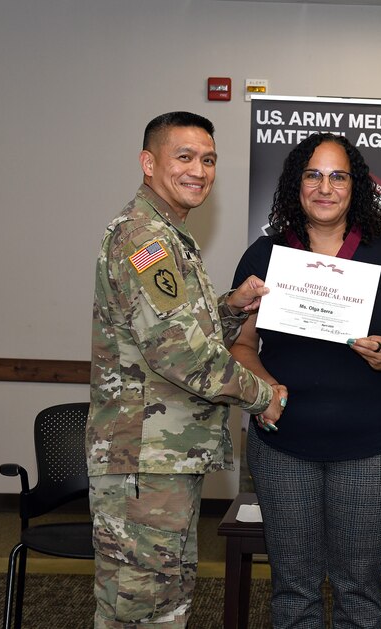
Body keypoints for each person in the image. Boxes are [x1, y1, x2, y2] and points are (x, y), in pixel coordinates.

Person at [86, 111, 287, 629]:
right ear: (148, 163)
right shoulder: (144, 240)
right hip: (144, 461)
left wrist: (232, 308)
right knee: (140, 609)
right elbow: (181, 356)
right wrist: (263, 395)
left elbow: (178, 335)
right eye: (184, 157)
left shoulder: (170, 238)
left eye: (209, 159)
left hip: (162, 458)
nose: (199, 169)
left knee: (163, 603)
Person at [230, 132, 381, 628]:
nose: (325, 186)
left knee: (360, 591)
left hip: (373, 449)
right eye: (313, 174)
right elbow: (240, 345)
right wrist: (264, 386)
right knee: (292, 590)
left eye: (338, 175)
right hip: (283, 446)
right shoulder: (266, 254)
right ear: (296, 184)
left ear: (355, 186)